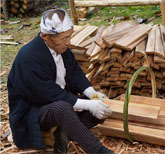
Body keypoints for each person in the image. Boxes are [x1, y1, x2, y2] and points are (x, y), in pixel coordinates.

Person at [7, 8, 114, 154]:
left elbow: (75, 74)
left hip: (56, 102)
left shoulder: (61, 49)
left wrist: (92, 94)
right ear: (45, 36)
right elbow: (47, 94)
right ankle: (98, 150)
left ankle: (62, 135)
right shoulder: (28, 57)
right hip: (32, 111)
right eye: (64, 38)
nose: (69, 42)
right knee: (63, 108)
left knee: (97, 107)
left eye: (69, 36)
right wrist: (87, 104)